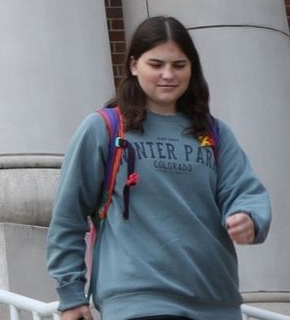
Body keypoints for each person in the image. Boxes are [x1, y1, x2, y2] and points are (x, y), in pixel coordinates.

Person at [45, 16, 272, 320]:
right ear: (134, 65)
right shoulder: (105, 128)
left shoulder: (215, 134)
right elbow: (68, 216)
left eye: (179, 65)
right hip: (138, 303)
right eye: (156, 64)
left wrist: (249, 218)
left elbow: (245, 192)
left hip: (216, 302)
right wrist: (72, 295)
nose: (168, 75)